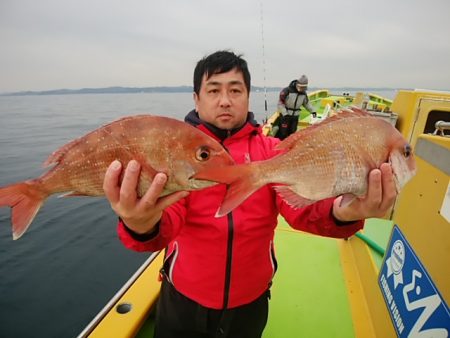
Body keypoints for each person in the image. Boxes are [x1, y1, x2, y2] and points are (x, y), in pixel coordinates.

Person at [103, 50, 397, 338]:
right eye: (213, 90)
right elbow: (166, 224)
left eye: (236, 90)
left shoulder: (271, 153)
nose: (225, 101)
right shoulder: (176, 155)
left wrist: (344, 213)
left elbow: (302, 211)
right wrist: (139, 223)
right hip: (183, 301)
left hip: (250, 304)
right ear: (196, 98)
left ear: (247, 96)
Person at [271, 75, 317, 140]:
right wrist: (285, 113)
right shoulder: (287, 91)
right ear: (297, 84)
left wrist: (313, 111)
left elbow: (307, 104)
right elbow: (280, 103)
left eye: (303, 88)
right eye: (300, 87)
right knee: (283, 133)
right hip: (285, 116)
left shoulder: (303, 94)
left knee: (292, 133)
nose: (301, 89)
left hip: (295, 117)